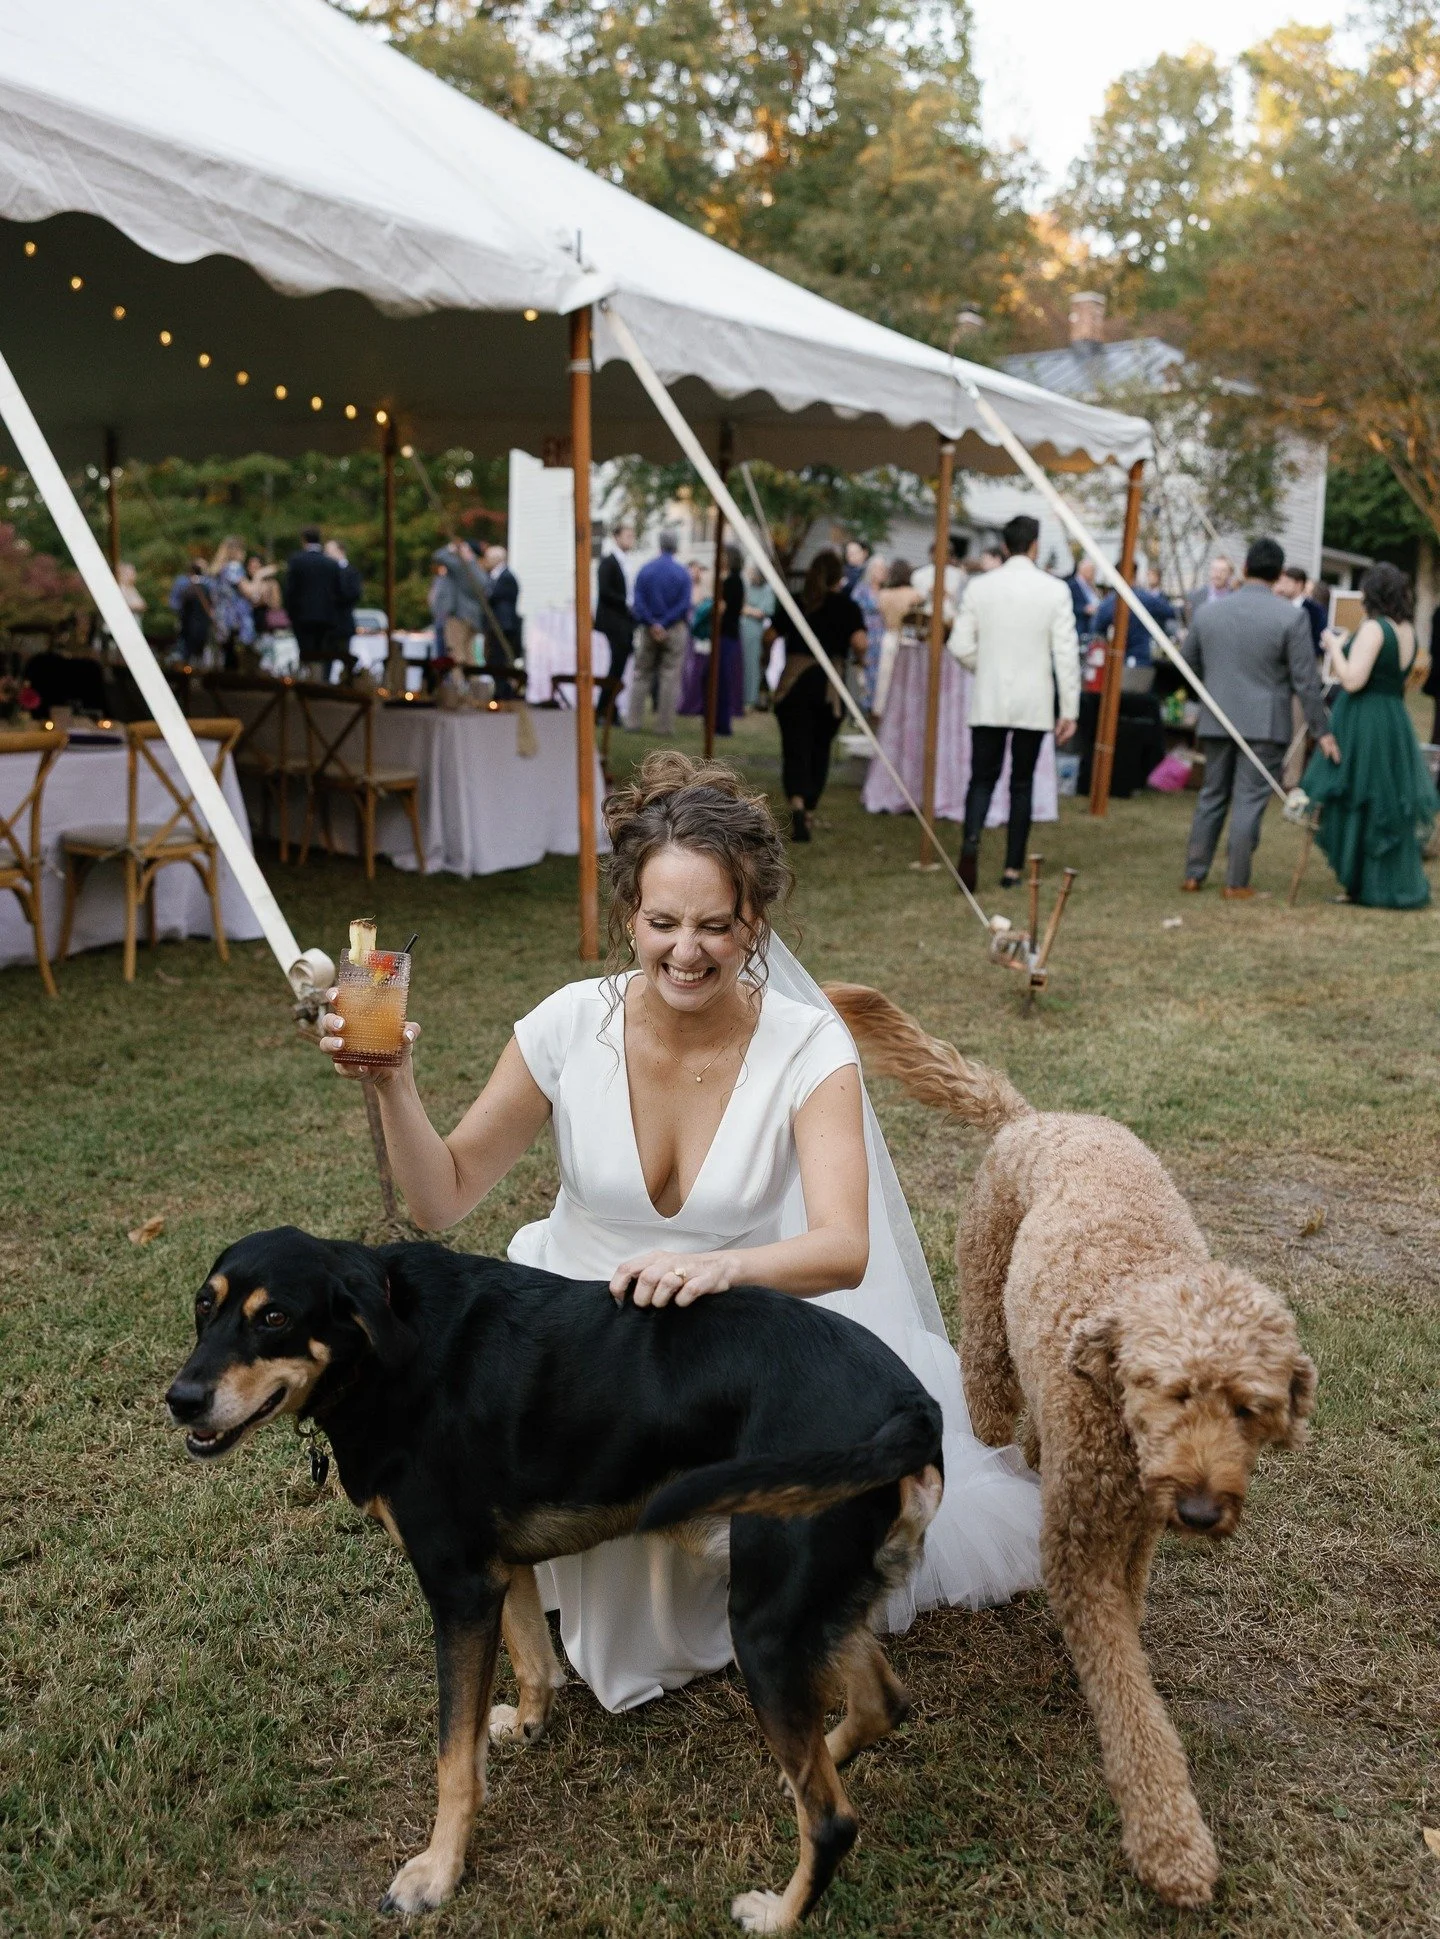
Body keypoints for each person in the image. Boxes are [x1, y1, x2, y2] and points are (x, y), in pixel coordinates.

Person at [315, 751, 1042, 1715]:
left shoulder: (807, 1044)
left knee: (766, 1569)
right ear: (629, 919)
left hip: (713, 1346)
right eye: (662, 924)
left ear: (757, 923)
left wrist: (718, 1268)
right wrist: (392, 1086)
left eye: (716, 925)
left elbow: (842, 1247)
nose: (686, 951)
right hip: (568, 1340)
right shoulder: (569, 1024)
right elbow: (441, 1198)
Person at [1181, 537, 1338, 898]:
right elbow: (1305, 680)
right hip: (1265, 722)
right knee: (1249, 800)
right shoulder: (1292, 616)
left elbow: (1186, 663)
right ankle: (1236, 881)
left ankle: (1194, 872)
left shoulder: (1208, 612)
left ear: (1246, 568)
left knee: (1212, 795)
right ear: (1279, 575)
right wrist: (1321, 729)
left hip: (1217, 717)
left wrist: (1210, 693)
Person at [947, 514, 1079, 892]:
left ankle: (970, 847)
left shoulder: (980, 586)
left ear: (1005, 546)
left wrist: (984, 667)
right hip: (1034, 703)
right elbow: (1066, 655)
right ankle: (1012, 870)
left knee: (981, 780)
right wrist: (1069, 709)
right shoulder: (1054, 590)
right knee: (1021, 784)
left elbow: (958, 645)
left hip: (989, 698)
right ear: (1034, 545)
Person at [1300, 562, 1437, 907]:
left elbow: (1352, 680)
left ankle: (1360, 882)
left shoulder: (1375, 628)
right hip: (1393, 718)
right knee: (1383, 798)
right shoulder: (1406, 629)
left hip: (1366, 720)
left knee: (1360, 796)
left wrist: (1332, 647)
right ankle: (1372, 881)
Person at [772, 548, 866, 843]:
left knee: (795, 746)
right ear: (839, 576)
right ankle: (809, 809)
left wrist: (766, 658)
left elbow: (769, 635)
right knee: (820, 748)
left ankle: (797, 803)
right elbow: (860, 642)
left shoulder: (796, 601)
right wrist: (860, 660)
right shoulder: (848, 607)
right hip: (827, 687)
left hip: (795, 681)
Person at [627, 528, 692, 735]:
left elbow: (638, 601)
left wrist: (652, 623)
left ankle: (633, 722)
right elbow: (684, 604)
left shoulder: (646, 569)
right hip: (673, 629)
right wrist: (664, 623)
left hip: (649, 629)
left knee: (641, 675)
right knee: (669, 677)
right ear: (676, 545)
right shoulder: (682, 573)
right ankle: (664, 726)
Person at [284, 527, 343, 672]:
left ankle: (309, 682)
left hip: (302, 618)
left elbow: (290, 591)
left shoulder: (297, 561)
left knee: (306, 653)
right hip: (326, 619)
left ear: (303, 540)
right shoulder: (331, 564)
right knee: (322, 654)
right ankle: (319, 680)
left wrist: (291, 613)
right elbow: (339, 592)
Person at [595, 521, 637, 718]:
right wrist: (626, 603)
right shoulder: (609, 562)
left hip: (625, 620)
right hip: (613, 620)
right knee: (616, 664)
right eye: (627, 535)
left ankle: (611, 706)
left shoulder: (626, 562)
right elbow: (605, 591)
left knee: (620, 665)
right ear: (616, 537)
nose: (630, 539)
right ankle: (604, 708)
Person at [873, 558, 922, 718]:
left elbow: (881, 614)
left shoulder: (884, 594)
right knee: (907, 680)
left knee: (885, 680)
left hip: (889, 636)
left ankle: (882, 713)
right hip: (908, 638)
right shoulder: (915, 595)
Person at [1092, 577, 1178, 665]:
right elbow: (1171, 612)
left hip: (1117, 660)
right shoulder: (1144, 598)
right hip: (1141, 658)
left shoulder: (1109, 602)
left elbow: (1096, 629)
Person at [854, 553, 889, 711]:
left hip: (882, 636)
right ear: (872, 570)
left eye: (884, 569)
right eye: (879, 569)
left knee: (880, 673)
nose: (882, 572)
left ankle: (875, 707)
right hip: (866, 634)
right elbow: (853, 610)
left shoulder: (887, 590)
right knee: (864, 672)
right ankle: (862, 707)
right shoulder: (862, 589)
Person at [323, 538, 364, 671]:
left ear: (340, 551)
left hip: (343, 624)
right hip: (327, 626)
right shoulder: (326, 572)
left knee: (345, 659)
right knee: (326, 663)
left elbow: (354, 594)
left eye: (329, 551)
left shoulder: (351, 572)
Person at [739, 562, 775, 709]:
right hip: (742, 628)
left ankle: (751, 698)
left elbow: (763, 611)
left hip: (755, 631)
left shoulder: (767, 590)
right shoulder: (747, 588)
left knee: (753, 665)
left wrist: (747, 610)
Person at [911, 535, 965, 624]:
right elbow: (916, 599)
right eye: (935, 552)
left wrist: (947, 594)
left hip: (950, 619)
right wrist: (929, 592)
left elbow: (960, 600)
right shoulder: (919, 574)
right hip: (925, 617)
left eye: (946, 552)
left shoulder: (958, 575)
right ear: (931, 554)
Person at [1277, 563, 1326, 655]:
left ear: (1299, 584)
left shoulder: (1315, 610)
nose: (1282, 586)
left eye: (1287, 582)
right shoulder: (1278, 605)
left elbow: (1318, 639)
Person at [1187, 554, 1235, 620]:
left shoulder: (1235, 596)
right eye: (1214, 570)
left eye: (1223, 571)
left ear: (1230, 574)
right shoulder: (1196, 596)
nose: (1217, 574)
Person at [1065, 554, 1100, 642]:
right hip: (1078, 629)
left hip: (1090, 629)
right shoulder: (1071, 585)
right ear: (1084, 570)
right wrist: (1084, 609)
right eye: (1092, 571)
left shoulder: (1091, 586)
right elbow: (1068, 605)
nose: (1094, 574)